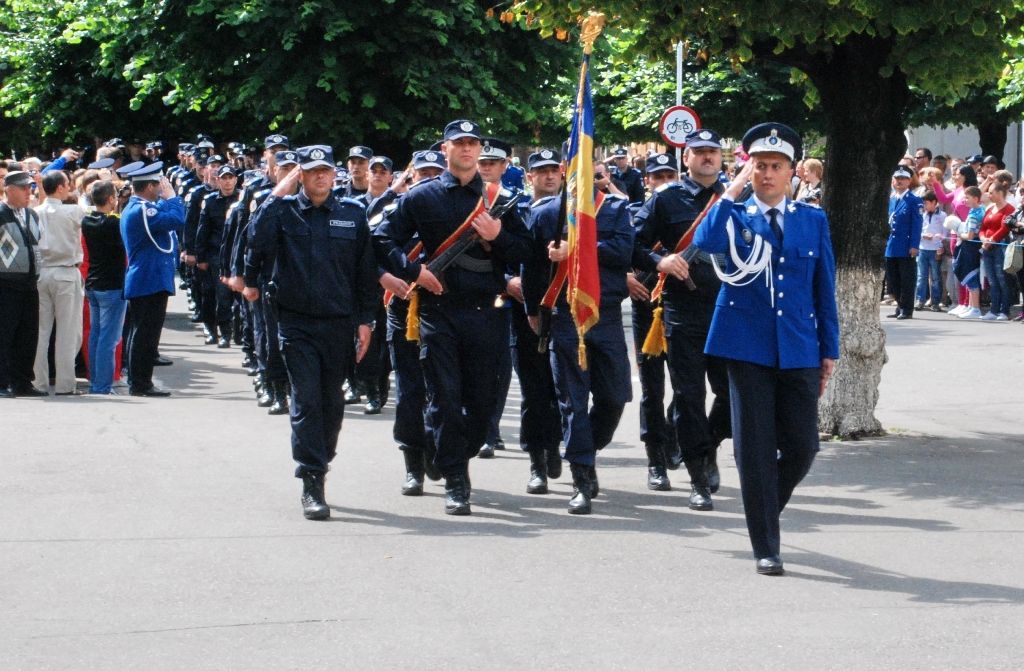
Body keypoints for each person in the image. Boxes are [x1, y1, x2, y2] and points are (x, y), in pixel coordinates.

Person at [692, 122, 839, 575]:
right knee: (754, 448)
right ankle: (766, 546)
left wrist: (829, 349)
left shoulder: (812, 220)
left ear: (792, 172)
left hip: (798, 344)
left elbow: (823, 288)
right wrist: (732, 190)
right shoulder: (734, 215)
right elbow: (705, 243)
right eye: (759, 166)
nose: (767, 174)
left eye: (776, 166)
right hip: (745, 345)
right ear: (748, 169)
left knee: (802, 447)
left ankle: (763, 507)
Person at [373, 119, 532, 516]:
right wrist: (414, 272)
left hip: (486, 311)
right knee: (444, 396)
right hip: (438, 312)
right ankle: (457, 482)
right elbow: (381, 238)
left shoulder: (500, 199)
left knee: (481, 403)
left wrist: (498, 236)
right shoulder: (423, 198)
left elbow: (526, 251)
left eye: (472, 143)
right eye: (458, 143)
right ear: (445, 150)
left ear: (480, 150)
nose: (466, 150)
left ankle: (449, 449)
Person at [244, 145, 378, 520]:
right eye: (312, 170)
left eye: (326, 171)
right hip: (296, 322)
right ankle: (311, 480)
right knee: (306, 399)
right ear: (300, 175)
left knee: (332, 403)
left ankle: (321, 457)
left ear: (335, 174)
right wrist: (278, 191)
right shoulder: (283, 212)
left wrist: (366, 320)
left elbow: (365, 272)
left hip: (338, 323)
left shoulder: (352, 214)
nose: (320, 177)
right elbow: (256, 239)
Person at [522, 154, 635, 515]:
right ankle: (581, 477)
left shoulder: (614, 208)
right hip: (565, 317)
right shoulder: (544, 214)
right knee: (572, 402)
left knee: (615, 396)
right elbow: (532, 269)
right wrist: (533, 310)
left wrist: (577, 252)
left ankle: (589, 449)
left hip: (607, 314)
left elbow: (622, 250)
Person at [633, 132, 731, 509]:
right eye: (699, 152)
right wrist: (659, 261)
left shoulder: (739, 198)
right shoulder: (666, 199)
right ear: (685, 157)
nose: (707, 158)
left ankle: (709, 446)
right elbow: (632, 241)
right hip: (684, 310)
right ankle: (697, 477)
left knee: (731, 394)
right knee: (689, 396)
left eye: (712, 152)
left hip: (732, 311)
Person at [513, 148, 564, 494]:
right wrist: (507, 280)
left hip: (563, 310)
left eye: (553, 170)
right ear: (529, 177)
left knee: (562, 388)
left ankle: (556, 444)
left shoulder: (573, 213)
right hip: (524, 312)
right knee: (534, 390)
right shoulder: (514, 211)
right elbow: (506, 252)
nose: (548, 176)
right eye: (540, 171)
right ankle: (537, 458)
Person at [120, 162, 185, 397]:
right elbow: (176, 220)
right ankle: (140, 383)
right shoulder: (142, 210)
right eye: (158, 184)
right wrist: (172, 198)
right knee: (145, 335)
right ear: (149, 186)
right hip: (148, 278)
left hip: (149, 277)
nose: (161, 187)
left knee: (143, 333)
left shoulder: (141, 207)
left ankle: (139, 380)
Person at [33, 170, 87, 394]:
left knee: (41, 331)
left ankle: (38, 382)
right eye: (67, 184)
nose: (70, 187)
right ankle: (66, 383)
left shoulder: (35, 212)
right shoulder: (73, 211)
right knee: (68, 330)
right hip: (65, 271)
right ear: (59, 187)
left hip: (42, 272)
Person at [0, 171, 46, 398]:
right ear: (9, 189)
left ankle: (22, 382)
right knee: (4, 334)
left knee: (28, 336)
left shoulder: (31, 215)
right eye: (23, 188)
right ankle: (2, 382)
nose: (29, 192)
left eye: (30, 187)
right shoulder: (1, 213)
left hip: (29, 283)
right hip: (5, 283)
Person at [81, 180, 128, 394]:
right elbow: (121, 221)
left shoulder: (87, 220)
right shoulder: (114, 222)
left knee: (96, 336)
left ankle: (95, 382)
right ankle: (101, 386)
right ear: (110, 199)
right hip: (112, 285)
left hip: (93, 284)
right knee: (108, 339)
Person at [885, 166, 923, 320]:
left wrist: (914, 245)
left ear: (909, 181)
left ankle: (907, 309)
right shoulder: (892, 199)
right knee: (893, 279)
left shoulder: (914, 200)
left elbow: (917, 224)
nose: (899, 181)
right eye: (897, 178)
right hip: (891, 245)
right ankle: (899, 305)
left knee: (906, 278)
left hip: (906, 245)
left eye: (903, 178)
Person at [978, 181, 1014, 320]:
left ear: (1000, 193)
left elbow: (1005, 228)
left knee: (1002, 279)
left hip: (1000, 247)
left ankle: (1004, 310)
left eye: (991, 192)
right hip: (987, 248)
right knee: (992, 280)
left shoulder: (1009, 209)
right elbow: (983, 227)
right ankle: (993, 310)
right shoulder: (989, 208)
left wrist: (992, 239)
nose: (989, 195)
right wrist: (983, 239)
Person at [951, 186, 985, 320]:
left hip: (971, 248)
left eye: (967, 197)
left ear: (976, 198)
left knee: (971, 277)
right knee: (970, 277)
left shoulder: (976, 214)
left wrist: (959, 232)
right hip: (972, 247)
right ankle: (971, 306)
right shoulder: (976, 210)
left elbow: (970, 236)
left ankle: (975, 308)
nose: (965, 200)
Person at [916, 191, 946, 311]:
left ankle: (935, 302)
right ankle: (920, 300)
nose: (925, 206)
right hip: (923, 248)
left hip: (935, 249)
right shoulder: (922, 214)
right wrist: (923, 235)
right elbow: (918, 230)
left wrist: (940, 243)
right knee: (921, 276)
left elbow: (945, 233)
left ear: (934, 202)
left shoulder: (942, 215)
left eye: (927, 203)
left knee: (935, 277)